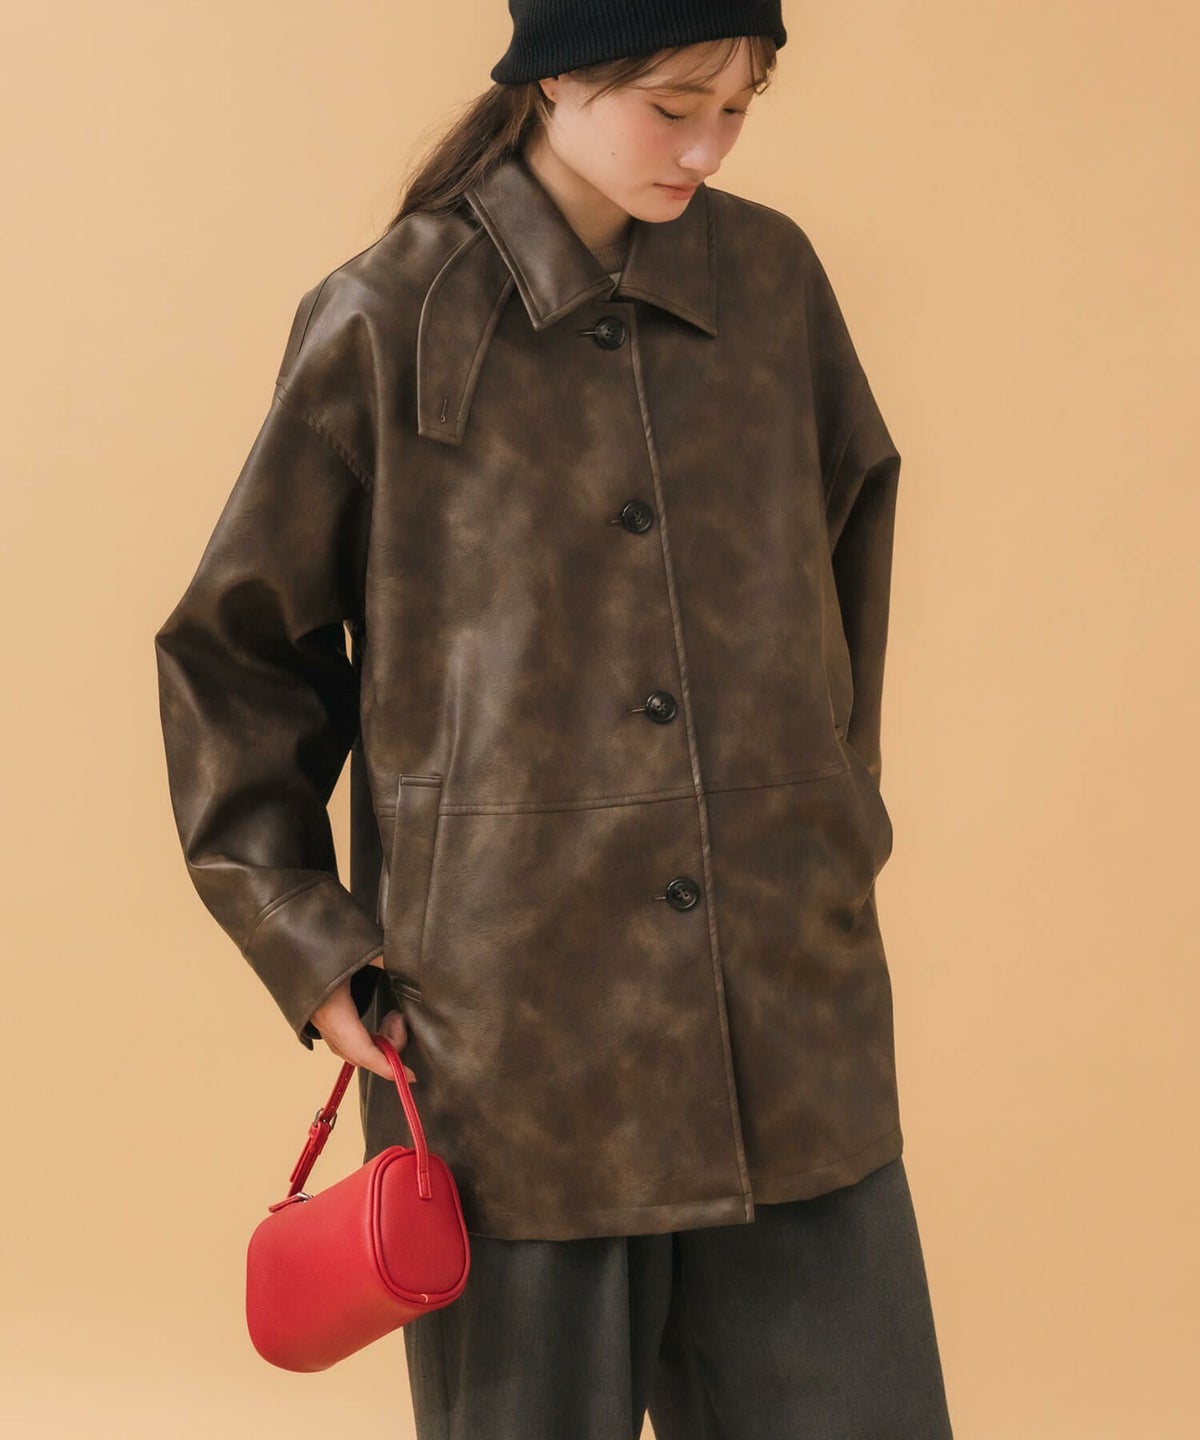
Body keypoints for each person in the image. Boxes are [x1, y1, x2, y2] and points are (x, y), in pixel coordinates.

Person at [154, 1, 955, 1435]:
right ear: (552, 80)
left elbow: (849, 569)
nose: (707, 149)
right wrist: (308, 942)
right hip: (510, 1045)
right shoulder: (390, 316)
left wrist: (832, 825)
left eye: (739, 107)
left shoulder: (772, 283)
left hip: (788, 1014)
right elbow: (238, 653)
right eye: (673, 106)